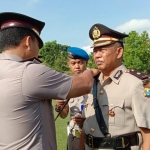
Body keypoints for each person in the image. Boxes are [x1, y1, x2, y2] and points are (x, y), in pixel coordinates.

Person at [0, 12, 100, 150]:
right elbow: (84, 84)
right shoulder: (30, 71)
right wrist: (90, 71)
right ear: (28, 42)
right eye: (38, 45)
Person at [79, 23, 150, 150]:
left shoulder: (136, 83)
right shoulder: (92, 83)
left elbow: (148, 134)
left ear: (119, 52)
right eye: (95, 50)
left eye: (102, 50)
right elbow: (85, 127)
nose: (97, 55)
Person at [55, 47, 89, 150]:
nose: (77, 66)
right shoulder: (67, 85)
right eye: (73, 63)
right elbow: (64, 115)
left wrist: (87, 121)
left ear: (86, 63)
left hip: (91, 135)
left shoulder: (96, 83)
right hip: (74, 136)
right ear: (69, 65)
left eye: (80, 62)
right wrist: (60, 106)